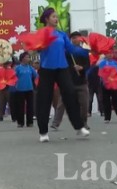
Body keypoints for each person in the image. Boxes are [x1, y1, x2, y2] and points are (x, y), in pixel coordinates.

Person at [36, 8, 90, 142]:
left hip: (62, 68)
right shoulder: (41, 33)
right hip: (46, 69)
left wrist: (87, 50)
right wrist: (42, 45)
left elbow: (71, 49)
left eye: (57, 17)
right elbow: (37, 48)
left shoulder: (61, 34)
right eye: (54, 16)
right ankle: (43, 132)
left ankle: (79, 127)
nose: (56, 19)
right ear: (47, 19)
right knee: (44, 99)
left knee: (70, 94)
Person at [99, 53, 117, 123]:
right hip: (105, 84)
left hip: (114, 84)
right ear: (105, 55)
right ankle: (107, 118)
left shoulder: (115, 62)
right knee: (106, 102)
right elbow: (101, 73)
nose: (110, 55)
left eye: (111, 53)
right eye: (108, 53)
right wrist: (105, 81)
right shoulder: (102, 63)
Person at [14, 52, 37, 128]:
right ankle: (20, 122)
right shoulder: (17, 68)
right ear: (22, 58)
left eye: (29, 57)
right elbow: (13, 77)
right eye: (27, 57)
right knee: (20, 106)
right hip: (20, 89)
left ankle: (30, 122)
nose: (28, 59)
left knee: (30, 106)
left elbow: (36, 76)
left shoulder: (30, 68)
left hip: (29, 89)